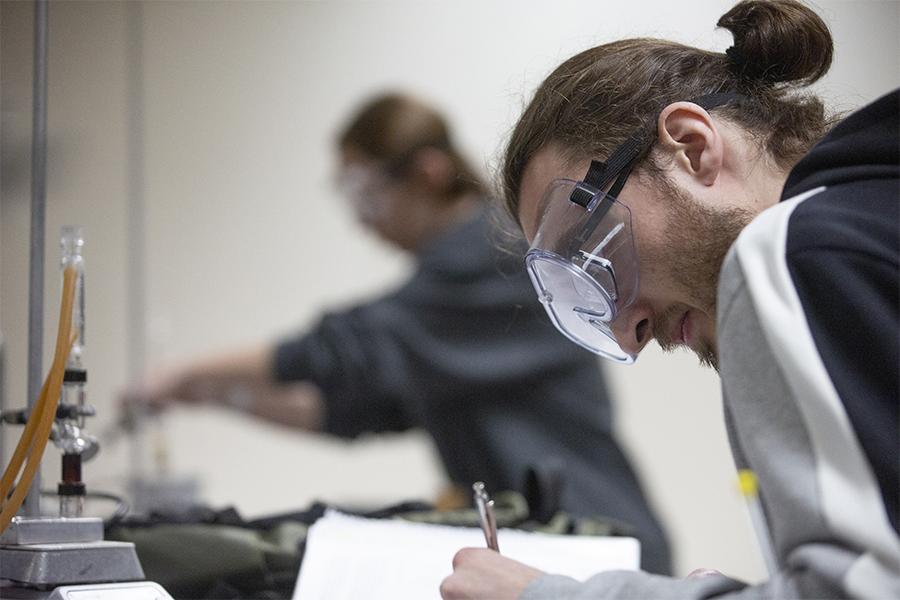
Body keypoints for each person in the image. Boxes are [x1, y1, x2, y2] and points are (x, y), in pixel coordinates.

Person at [440, 1, 899, 598]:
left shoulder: (791, 251)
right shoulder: (873, 222)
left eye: (590, 246)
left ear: (690, 146)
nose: (630, 327)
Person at [123, 92, 673, 575]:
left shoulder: (496, 255)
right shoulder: (446, 306)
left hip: (594, 546)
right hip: (556, 546)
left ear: (428, 173)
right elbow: (353, 410)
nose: (363, 220)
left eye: (367, 193)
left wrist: (182, 374)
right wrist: (214, 396)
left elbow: (338, 348)